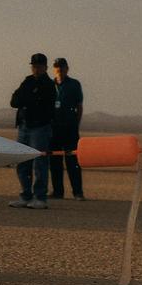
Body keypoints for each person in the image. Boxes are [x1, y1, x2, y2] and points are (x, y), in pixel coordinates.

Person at [8, 52, 56, 209]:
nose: (36, 69)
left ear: (45, 67)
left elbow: (40, 104)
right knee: (23, 162)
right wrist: (29, 99)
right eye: (34, 66)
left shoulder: (48, 85)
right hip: (24, 127)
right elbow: (14, 101)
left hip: (39, 128)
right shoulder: (27, 81)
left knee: (39, 163)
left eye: (39, 66)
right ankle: (25, 195)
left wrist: (28, 99)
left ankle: (40, 198)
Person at [49, 57, 85, 200]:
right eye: (57, 67)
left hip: (70, 128)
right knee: (55, 161)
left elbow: (79, 106)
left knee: (73, 161)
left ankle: (78, 192)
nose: (59, 69)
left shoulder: (74, 85)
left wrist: (76, 124)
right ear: (54, 69)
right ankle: (58, 192)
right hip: (53, 129)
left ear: (67, 68)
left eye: (62, 67)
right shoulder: (50, 85)